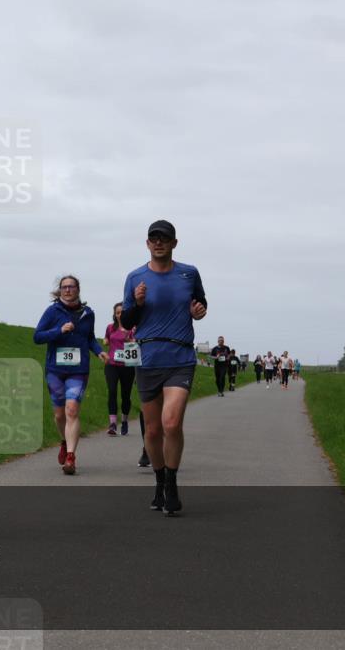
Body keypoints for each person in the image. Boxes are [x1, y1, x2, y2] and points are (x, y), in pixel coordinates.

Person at [120, 220, 207, 516]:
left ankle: (171, 482)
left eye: (164, 239)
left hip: (180, 356)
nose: (158, 243)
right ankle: (159, 481)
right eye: (153, 239)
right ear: (147, 244)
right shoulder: (135, 278)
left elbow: (201, 304)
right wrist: (138, 303)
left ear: (174, 243)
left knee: (172, 424)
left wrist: (198, 311)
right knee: (154, 430)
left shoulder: (189, 273)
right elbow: (127, 321)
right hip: (148, 357)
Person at [34, 276, 107, 474]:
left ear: (78, 290)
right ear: (60, 290)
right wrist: (59, 330)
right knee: (59, 415)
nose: (67, 290)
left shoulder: (88, 314)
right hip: (55, 370)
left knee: (72, 410)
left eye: (71, 287)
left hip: (78, 369)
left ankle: (71, 457)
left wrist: (99, 350)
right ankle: (64, 442)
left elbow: (90, 338)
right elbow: (37, 337)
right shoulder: (52, 311)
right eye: (64, 287)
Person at [103, 303, 137, 436]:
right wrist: (106, 341)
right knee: (112, 391)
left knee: (125, 395)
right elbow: (106, 338)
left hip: (127, 366)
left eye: (122, 312)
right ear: (115, 314)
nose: (120, 315)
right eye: (118, 312)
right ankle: (112, 424)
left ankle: (124, 420)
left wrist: (133, 341)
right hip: (111, 364)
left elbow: (138, 343)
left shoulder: (133, 329)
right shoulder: (110, 327)